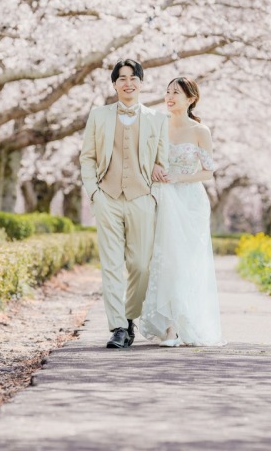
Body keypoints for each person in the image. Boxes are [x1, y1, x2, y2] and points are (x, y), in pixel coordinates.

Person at [79, 59, 169, 349]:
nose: (128, 83)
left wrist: (153, 192)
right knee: (111, 264)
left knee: (141, 265)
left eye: (133, 78)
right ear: (115, 84)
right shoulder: (99, 115)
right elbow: (88, 156)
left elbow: (161, 160)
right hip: (107, 196)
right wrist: (94, 192)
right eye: (122, 78)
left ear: (141, 83)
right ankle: (118, 326)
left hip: (142, 197)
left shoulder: (157, 119)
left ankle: (130, 317)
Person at [140, 77, 224, 347]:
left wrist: (178, 177)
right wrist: (154, 168)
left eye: (176, 93)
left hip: (190, 201)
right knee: (165, 258)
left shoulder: (201, 131)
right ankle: (169, 328)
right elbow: (145, 159)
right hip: (162, 197)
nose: (169, 97)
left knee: (188, 261)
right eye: (167, 92)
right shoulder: (156, 125)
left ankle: (187, 321)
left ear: (190, 99)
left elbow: (208, 172)